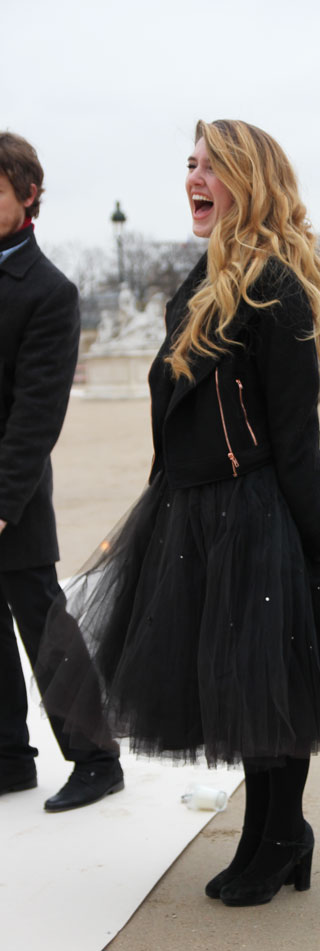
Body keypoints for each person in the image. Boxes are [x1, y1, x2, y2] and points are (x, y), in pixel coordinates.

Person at [37, 120, 320, 906]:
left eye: (210, 166)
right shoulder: (207, 279)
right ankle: (274, 833)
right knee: (237, 688)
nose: (194, 178)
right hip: (194, 514)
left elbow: (294, 438)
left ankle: (279, 835)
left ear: (250, 179)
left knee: (267, 684)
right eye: (190, 164)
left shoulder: (273, 284)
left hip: (255, 513)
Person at [0, 132, 123, 810]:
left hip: (10, 488)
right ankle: (9, 759)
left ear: (29, 195)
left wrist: (4, 497)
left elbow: (37, 411)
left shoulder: (49, 290)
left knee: (43, 621)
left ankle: (97, 757)